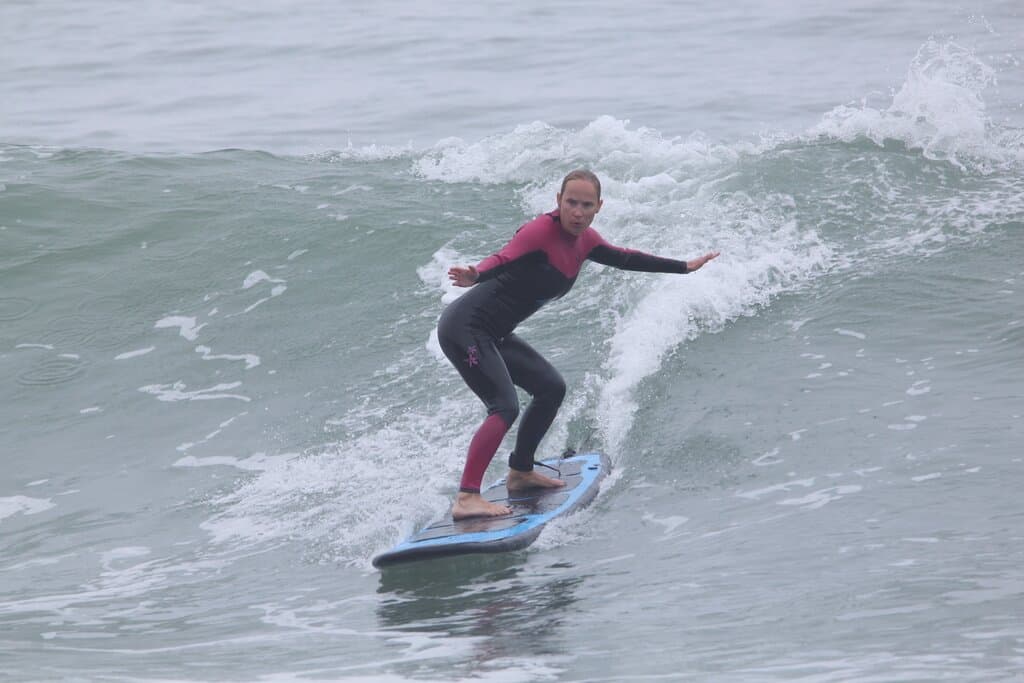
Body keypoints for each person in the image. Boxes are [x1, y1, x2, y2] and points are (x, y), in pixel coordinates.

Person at [439, 169, 719, 520]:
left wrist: (684, 267)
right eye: (571, 202)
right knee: (504, 406)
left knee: (550, 388)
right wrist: (476, 274)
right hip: (465, 328)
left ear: (599, 207)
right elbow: (505, 257)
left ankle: (521, 472)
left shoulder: (585, 241)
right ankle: (467, 497)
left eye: (586, 205)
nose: (577, 212)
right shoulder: (540, 231)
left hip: (493, 333)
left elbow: (625, 257)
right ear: (558, 201)